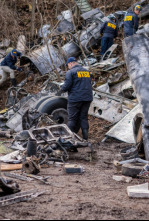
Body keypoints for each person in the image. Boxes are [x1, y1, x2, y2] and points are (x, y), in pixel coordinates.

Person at [61, 57, 93, 140]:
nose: (68, 67)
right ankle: (85, 138)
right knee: (83, 117)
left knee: (72, 119)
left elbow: (66, 86)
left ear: (71, 63)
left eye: (68, 65)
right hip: (87, 98)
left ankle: (68, 139)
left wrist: (61, 88)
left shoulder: (70, 72)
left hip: (75, 99)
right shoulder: (86, 72)